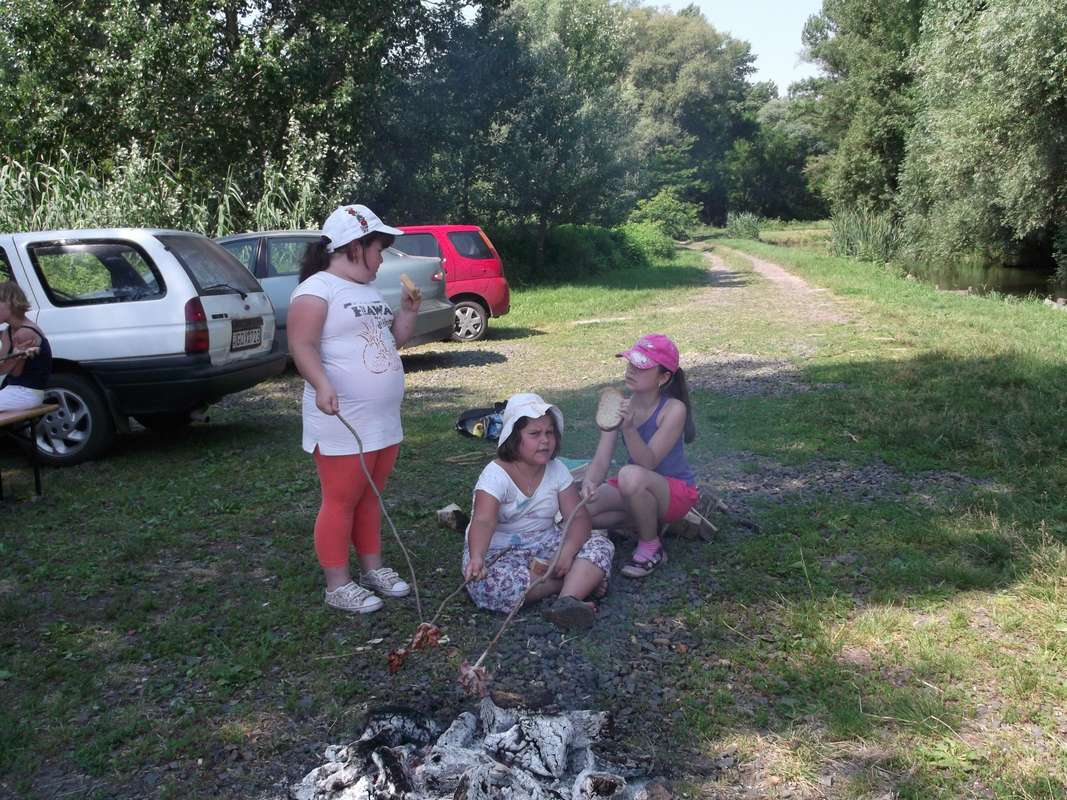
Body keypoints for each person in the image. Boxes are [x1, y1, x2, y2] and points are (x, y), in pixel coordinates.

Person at [288, 204, 420, 614]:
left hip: (382, 419)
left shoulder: (368, 290)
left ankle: (372, 568)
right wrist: (322, 383)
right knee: (341, 500)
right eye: (379, 249)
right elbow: (302, 346)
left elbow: (391, 341)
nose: (382, 259)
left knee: (370, 497)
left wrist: (408, 312)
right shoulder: (316, 290)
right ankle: (338, 584)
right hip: (342, 418)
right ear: (355, 246)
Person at [463, 393, 614, 630]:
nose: (545, 440)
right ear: (514, 437)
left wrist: (567, 551)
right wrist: (477, 557)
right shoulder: (495, 474)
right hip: (499, 551)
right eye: (534, 434)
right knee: (488, 585)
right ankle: (574, 583)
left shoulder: (557, 469)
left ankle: (565, 603)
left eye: (549, 433)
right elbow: (483, 520)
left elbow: (578, 517)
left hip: (545, 542)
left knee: (600, 544)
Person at [582, 333, 698, 578]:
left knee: (629, 474)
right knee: (580, 512)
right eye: (631, 363)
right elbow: (602, 458)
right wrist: (589, 483)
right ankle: (642, 521)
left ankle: (652, 547)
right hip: (634, 486)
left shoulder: (674, 409)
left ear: (664, 377)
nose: (631, 370)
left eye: (642, 366)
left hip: (674, 492)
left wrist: (629, 428)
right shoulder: (619, 405)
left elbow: (648, 462)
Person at [0, 282, 52, 412]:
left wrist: (15, 357)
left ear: (11, 303)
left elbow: (15, 373)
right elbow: (2, 368)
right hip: (12, 390)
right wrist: (15, 357)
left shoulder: (25, 332)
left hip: (27, 393)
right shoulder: (8, 332)